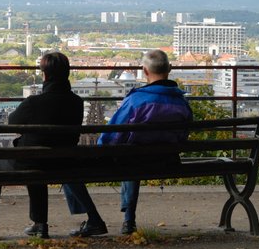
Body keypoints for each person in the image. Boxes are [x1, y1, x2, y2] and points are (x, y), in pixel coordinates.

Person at [64, 49, 193, 235]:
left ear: (145, 71)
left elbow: (114, 134)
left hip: (133, 160)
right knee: (135, 155)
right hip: (167, 160)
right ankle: (128, 221)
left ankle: (98, 219)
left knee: (72, 164)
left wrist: (101, 151)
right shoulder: (182, 103)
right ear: (169, 69)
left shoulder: (136, 100)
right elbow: (183, 136)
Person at [0, 51, 93, 241]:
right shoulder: (77, 102)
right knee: (38, 160)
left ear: (45, 75)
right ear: (67, 73)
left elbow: (12, 121)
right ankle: (39, 225)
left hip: (32, 161)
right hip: (63, 163)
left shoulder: (34, 102)